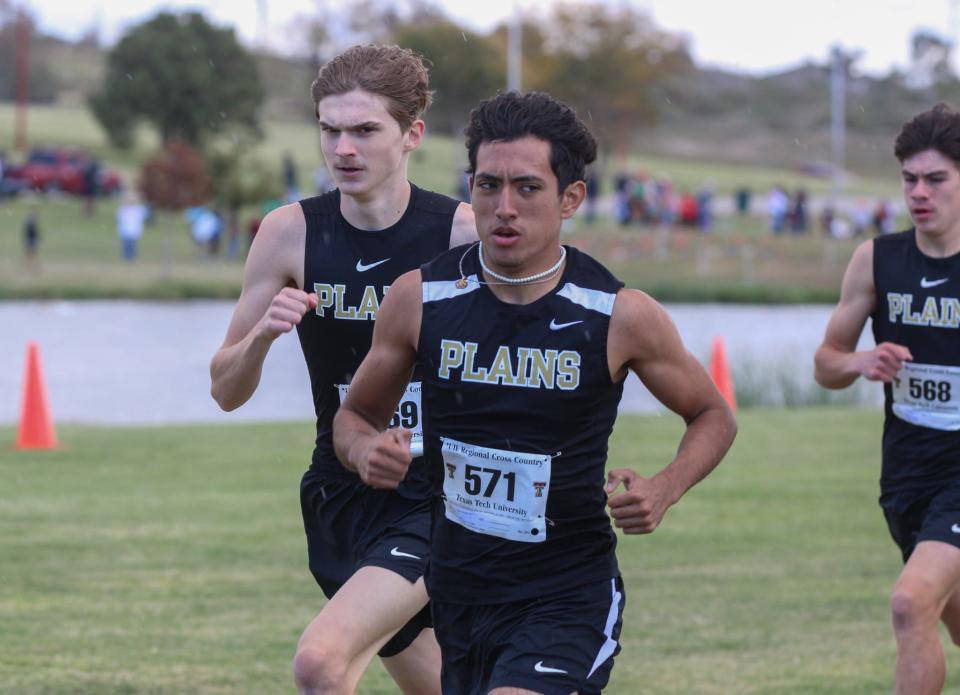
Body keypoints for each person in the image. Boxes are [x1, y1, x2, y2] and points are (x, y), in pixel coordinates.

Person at [333, 91, 737, 695]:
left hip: (565, 595)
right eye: (488, 185)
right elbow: (354, 417)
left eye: (527, 188)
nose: (503, 208)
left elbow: (712, 414)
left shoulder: (617, 315)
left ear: (570, 198)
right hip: (459, 591)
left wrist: (664, 488)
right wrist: (366, 452)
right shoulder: (420, 299)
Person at [209, 44, 475, 695]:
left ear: (411, 134)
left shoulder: (459, 234)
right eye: (330, 129)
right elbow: (224, 389)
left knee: (320, 662)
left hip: (438, 494)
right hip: (339, 494)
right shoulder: (288, 233)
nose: (343, 148)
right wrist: (264, 336)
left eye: (364, 130)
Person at [814, 102, 960, 695]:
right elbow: (826, 363)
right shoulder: (876, 260)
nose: (918, 192)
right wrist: (860, 361)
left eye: (936, 179)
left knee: (909, 603)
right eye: (909, 179)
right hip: (906, 477)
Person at [116, 193, 149, 261]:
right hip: (125, 230)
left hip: (134, 230)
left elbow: (145, 214)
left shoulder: (138, 209)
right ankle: (126, 257)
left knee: (132, 245)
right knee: (126, 245)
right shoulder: (124, 209)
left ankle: (131, 257)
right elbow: (119, 216)